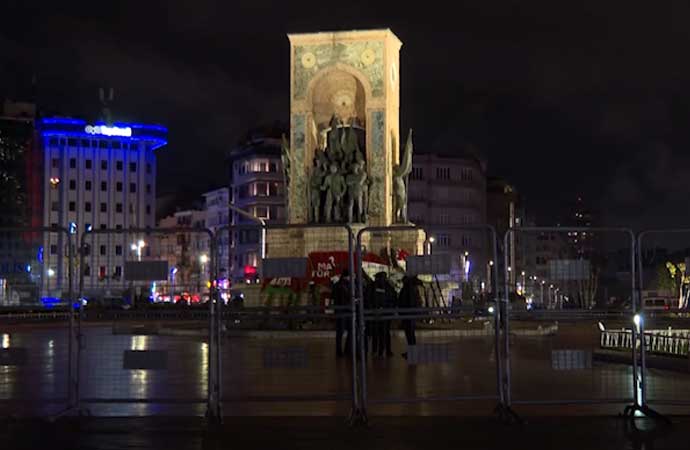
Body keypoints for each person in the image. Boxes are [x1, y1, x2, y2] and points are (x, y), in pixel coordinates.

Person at [365, 271, 396, 357]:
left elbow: (367, 299)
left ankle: (377, 351)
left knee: (377, 333)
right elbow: (393, 299)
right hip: (385, 314)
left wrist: (373, 308)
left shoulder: (371, 286)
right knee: (385, 332)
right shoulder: (389, 287)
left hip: (375, 314)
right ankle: (384, 351)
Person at [398, 275, 422, 358]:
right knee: (410, 334)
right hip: (409, 314)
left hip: (408, 314)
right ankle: (411, 351)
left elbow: (406, 301)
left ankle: (412, 352)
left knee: (410, 334)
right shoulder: (412, 289)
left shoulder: (408, 289)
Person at [333, 269, 352, 358]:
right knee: (348, 331)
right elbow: (345, 298)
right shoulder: (345, 285)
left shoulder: (337, 285)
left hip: (341, 311)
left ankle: (340, 350)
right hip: (345, 311)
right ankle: (345, 350)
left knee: (340, 333)